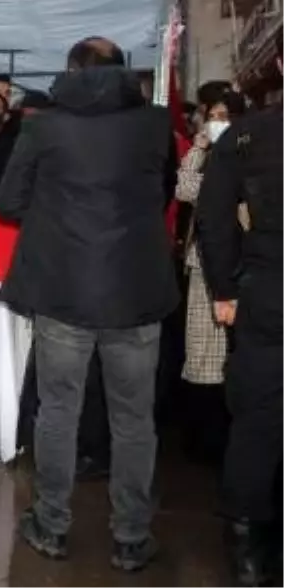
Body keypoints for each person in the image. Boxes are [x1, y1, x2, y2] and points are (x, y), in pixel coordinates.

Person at [0, 36, 177, 573]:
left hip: (64, 290)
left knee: (58, 413)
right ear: (123, 71)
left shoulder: (43, 126)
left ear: (71, 71)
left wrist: (55, 217)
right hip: (136, 293)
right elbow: (162, 192)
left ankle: (50, 525)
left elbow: (7, 201)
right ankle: (131, 536)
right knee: (134, 420)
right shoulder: (155, 124)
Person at [195, 63, 284, 586]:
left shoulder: (250, 134)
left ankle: (247, 544)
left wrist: (225, 288)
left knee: (258, 417)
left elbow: (213, 213)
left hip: (268, 287)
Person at [175, 91, 246, 467]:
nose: (217, 122)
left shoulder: (249, 157)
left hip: (243, 265)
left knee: (233, 352)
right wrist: (200, 146)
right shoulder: (208, 157)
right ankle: (204, 437)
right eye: (212, 116)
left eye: (224, 116)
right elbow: (185, 188)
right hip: (204, 263)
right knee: (203, 352)